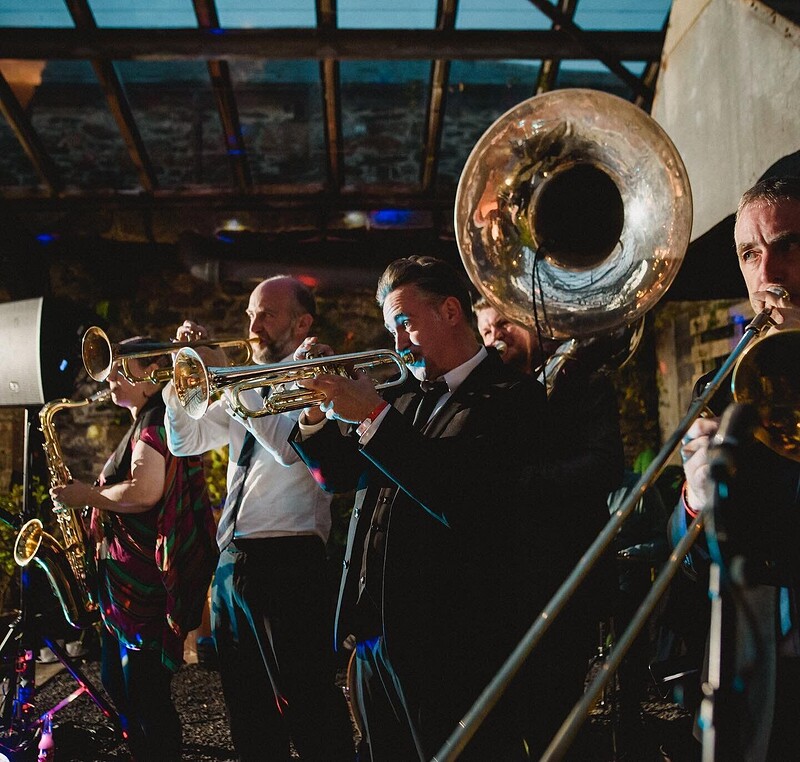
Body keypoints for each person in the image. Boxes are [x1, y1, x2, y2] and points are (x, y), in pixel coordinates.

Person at [290, 256, 552, 761]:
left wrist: (370, 414)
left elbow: (462, 498)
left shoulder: (513, 398)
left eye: (406, 323)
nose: (397, 344)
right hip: (372, 637)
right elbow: (337, 477)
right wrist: (314, 411)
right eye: (391, 329)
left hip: (447, 641)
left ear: (451, 311)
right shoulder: (400, 396)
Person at [162, 275, 354, 762]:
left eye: (267, 313)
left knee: (307, 701)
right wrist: (180, 378)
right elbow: (186, 443)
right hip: (234, 560)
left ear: (302, 321)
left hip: (290, 557)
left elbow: (290, 449)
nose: (254, 323)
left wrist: (227, 378)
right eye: (250, 313)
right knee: (247, 711)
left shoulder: (314, 372)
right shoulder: (243, 387)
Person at [670, 176, 800, 761]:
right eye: (751, 252)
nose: (769, 271)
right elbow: (688, 553)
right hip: (758, 651)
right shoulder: (719, 387)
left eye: (789, 244)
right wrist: (696, 505)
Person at [50, 338, 218, 761]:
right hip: (124, 583)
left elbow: (145, 491)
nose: (111, 376)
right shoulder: (144, 419)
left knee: (144, 694)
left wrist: (86, 495)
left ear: (153, 376)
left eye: (124, 367)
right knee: (124, 684)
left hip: (143, 585)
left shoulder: (156, 421)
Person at [475, 299, 628, 752]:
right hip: (505, 583)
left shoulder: (583, 381)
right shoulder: (492, 393)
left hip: (565, 574)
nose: (493, 337)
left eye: (502, 323)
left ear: (529, 320)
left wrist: (520, 483)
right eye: (484, 331)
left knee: (555, 718)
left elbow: (606, 465)